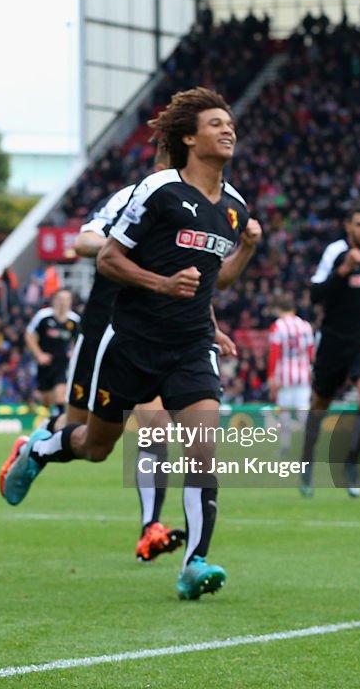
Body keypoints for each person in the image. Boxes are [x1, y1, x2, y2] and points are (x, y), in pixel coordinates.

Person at [0, 87, 262, 601]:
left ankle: (194, 562)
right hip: (129, 341)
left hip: (191, 346)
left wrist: (247, 250)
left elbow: (218, 280)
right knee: (96, 447)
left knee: (202, 450)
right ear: (188, 137)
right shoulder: (157, 191)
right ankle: (41, 448)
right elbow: (106, 259)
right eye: (215, 123)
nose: (228, 130)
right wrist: (162, 284)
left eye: (230, 123)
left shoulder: (234, 207)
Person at [52, 141, 237, 563]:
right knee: (91, 442)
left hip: (174, 335)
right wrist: (139, 251)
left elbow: (199, 278)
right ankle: (39, 447)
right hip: (110, 327)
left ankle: (155, 531)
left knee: (161, 427)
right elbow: (85, 242)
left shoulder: (207, 204)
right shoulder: (138, 195)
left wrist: (212, 325)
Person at [299, 205, 360, 498]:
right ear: (349, 226)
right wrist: (344, 270)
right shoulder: (335, 253)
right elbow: (315, 295)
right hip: (334, 341)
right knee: (319, 405)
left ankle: (350, 464)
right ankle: (307, 464)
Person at [266, 293, 315, 456]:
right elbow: (310, 352)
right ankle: (308, 447)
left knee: (284, 413)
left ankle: (285, 447)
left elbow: (274, 353)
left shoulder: (278, 326)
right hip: (303, 374)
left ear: (278, 309)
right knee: (304, 412)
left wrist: (271, 377)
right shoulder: (306, 326)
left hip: (284, 376)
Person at [24, 287, 80, 413]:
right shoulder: (43, 316)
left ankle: (60, 427)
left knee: (60, 395)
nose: (63, 302)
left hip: (63, 363)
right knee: (46, 400)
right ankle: (48, 420)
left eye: (66, 299)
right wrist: (39, 354)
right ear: (54, 300)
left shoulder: (75, 320)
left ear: (70, 302)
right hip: (45, 364)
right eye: (60, 299)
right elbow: (29, 335)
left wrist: (74, 353)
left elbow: (80, 341)